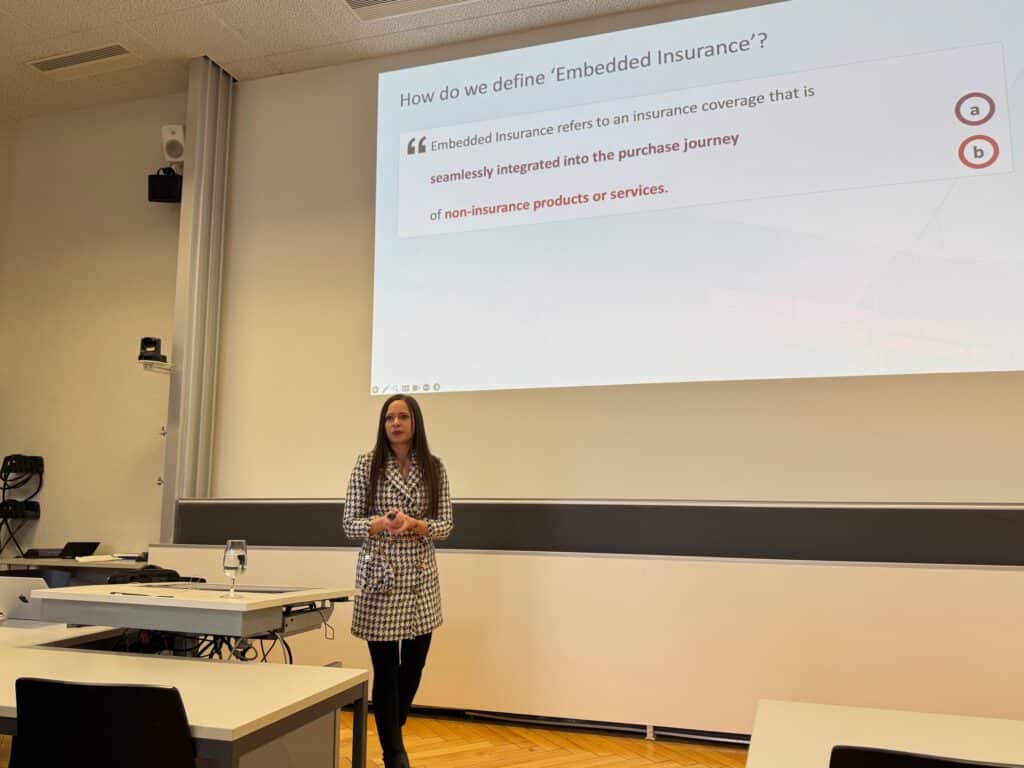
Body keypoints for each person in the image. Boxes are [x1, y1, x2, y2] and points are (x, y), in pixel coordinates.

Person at [343, 394, 453, 768]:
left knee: (415, 664)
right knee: (386, 669)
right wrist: (382, 523)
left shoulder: (434, 467)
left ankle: (392, 723)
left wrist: (416, 524)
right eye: (389, 417)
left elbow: (445, 526)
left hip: (421, 579)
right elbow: (349, 524)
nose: (395, 423)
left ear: (415, 422)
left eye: (403, 416)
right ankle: (395, 754)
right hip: (381, 577)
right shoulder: (367, 465)